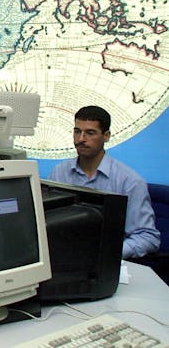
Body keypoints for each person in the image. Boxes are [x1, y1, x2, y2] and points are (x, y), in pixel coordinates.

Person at [49, 105, 160, 259]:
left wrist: (109, 253)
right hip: (63, 257)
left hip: (106, 261)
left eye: (90, 133)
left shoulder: (130, 182)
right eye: (77, 131)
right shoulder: (59, 172)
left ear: (106, 136)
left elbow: (148, 237)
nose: (81, 139)